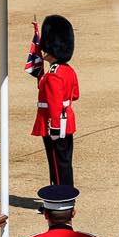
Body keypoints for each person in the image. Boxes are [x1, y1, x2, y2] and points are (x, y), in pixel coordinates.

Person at [28, 14, 79, 187]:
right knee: (64, 162)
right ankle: (64, 197)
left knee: (57, 164)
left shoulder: (54, 75)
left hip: (53, 124)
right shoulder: (67, 70)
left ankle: (60, 200)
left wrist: (55, 127)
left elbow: (54, 104)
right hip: (67, 121)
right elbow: (75, 95)